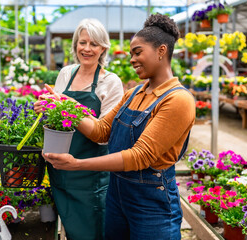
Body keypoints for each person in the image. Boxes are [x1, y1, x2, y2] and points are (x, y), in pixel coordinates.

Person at [43, 14, 195, 240]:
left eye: (137, 52)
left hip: (151, 202)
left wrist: (77, 165)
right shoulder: (134, 93)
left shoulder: (177, 100)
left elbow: (139, 156)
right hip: (117, 195)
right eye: (131, 54)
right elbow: (101, 130)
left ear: (161, 51)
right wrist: (63, 107)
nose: (132, 60)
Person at [35, 18, 124, 240]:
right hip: (59, 171)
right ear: (75, 45)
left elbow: (105, 136)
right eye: (82, 42)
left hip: (89, 176)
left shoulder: (111, 82)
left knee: (92, 232)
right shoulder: (66, 74)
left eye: (94, 44)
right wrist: (43, 108)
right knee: (70, 230)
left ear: (103, 48)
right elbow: (55, 120)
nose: (87, 48)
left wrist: (66, 106)